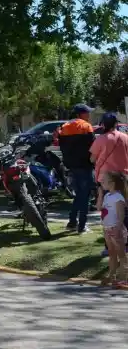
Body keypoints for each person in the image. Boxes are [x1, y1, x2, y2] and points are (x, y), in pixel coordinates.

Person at [91, 112, 128, 256]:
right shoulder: (125, 137)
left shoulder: (100, 140)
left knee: (108, 213)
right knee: (125, 211)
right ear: (116, 124)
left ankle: (109, 247)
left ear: (103, 125)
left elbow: (93, 159)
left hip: (107, 181)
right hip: (124, 177)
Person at [59, 104, 97, 234]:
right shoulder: (86, 126)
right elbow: (93, 146)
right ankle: (82, 226)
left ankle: (72, 222)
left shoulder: (64, 127)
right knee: (85, 196)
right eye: (87, 113)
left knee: (79, 195)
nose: (89, 115)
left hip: (71, 166)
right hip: (85, 166)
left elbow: (62, 147)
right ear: (81, 114)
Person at [99, 171, 127, 286]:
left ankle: (124, 277)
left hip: (116, 229)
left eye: (104, 180)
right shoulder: (107, 196)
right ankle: (112, 275)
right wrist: (100, 195)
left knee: (121, 253)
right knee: (112, 253)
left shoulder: (118, 197)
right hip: (107, 228)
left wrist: (118, 227)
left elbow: (121, 215)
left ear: (112, 183)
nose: (101, 182)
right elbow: (99, 208)